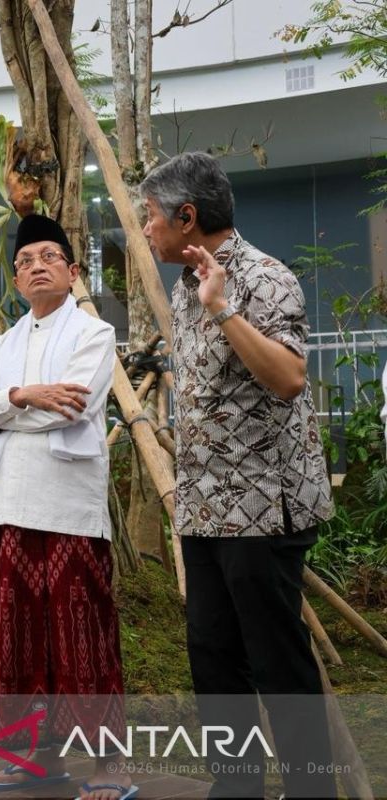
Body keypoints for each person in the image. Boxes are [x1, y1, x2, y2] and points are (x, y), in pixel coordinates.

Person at [140, 151, 335, 799]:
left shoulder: (265, 279)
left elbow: (287, 379)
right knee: (213, 657)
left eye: (151, 217)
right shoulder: (183, 284)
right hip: (204, 508)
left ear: (186, 217)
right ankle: (238, 786)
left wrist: (223, 308)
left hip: (264, 507)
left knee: (278, 662)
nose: (145, 230)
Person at [0, 216, 134, 800]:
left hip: (70, 508)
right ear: (15, 276)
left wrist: (3, 410)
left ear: (72, 271)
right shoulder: (1, 346)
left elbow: (74, 408)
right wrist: (24, 395)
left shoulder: (94, 334)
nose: (37, 265)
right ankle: (37, 761)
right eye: (26, 258)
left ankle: (111, 766)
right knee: (20, 640)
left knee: (83, 634)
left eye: (49, 256)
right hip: (11, 503)